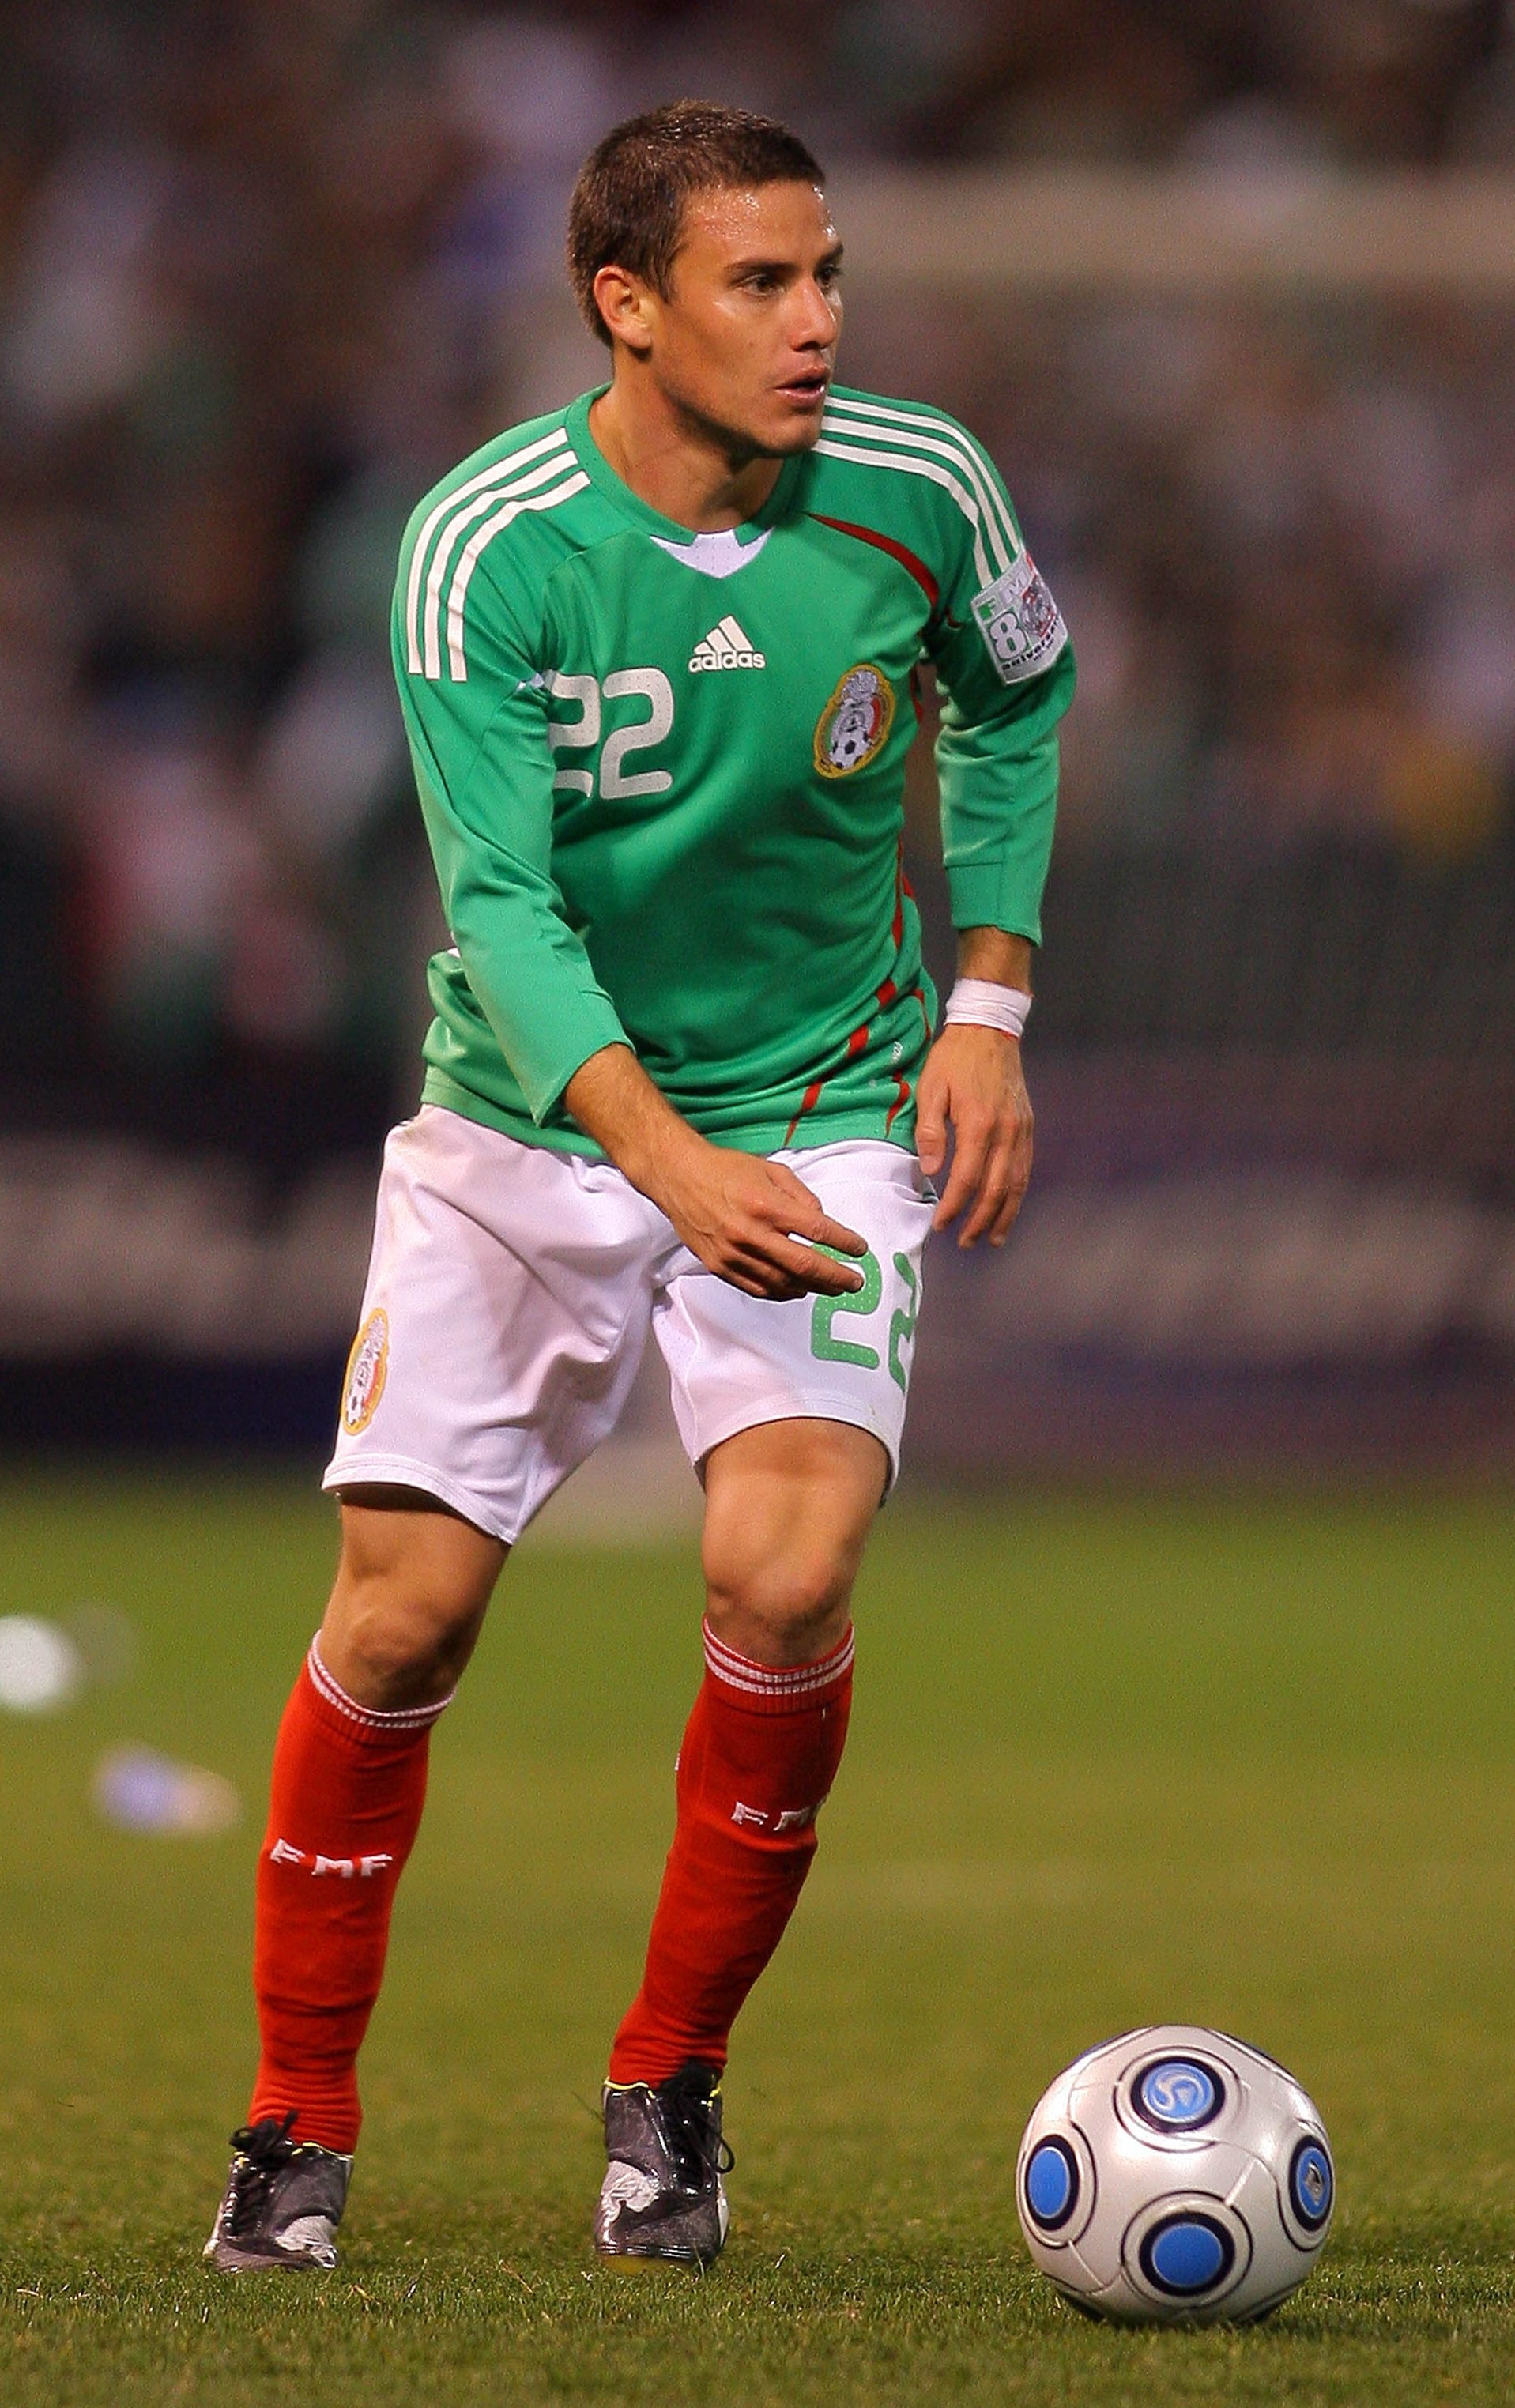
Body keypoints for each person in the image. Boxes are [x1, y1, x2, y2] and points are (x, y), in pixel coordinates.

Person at [204, 98, 1073, 2276]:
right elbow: (498, 903)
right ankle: (293, 2127)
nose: (817, 320)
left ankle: (666, 2092)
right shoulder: (482, 545)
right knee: (401, 1624)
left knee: (786, 1583)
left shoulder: (920, 484)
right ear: (628, 305)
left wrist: (990, 1001)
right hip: (525, 1130)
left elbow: (1023, 694)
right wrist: (665, 1167)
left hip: (827, 1098)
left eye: (828, 272)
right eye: (761, 283)